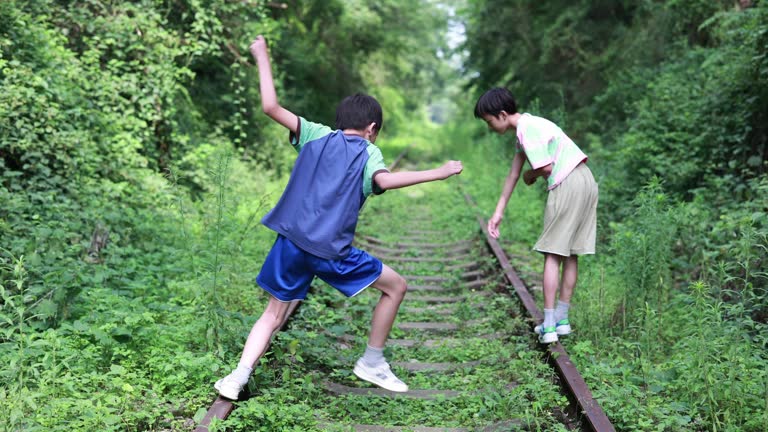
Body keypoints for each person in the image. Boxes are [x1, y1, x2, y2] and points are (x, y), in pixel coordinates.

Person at [214, 36, 463, 400]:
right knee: (396, 287)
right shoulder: (369, 152)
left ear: (340, 120)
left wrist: (261, 53)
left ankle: (236, 377)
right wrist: (437, 172)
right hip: (330, 251)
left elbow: (270, 106)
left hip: (291, 242)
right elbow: (384, 181)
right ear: (372, 128)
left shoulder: (314, 134)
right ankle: (372, 361)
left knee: (272, 314)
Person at [474, 87, 598, 344]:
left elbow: (544, 168)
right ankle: (562, 321)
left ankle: (550, 325)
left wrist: (531, 176)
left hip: (566, 182)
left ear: (502, 114)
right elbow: (512, 175)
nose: (489, 127)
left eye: (489, 122)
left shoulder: (526, 129)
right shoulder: (531, 126)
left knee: (553, 254)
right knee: (571, 253)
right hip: (586, 180)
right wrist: (498, 213)